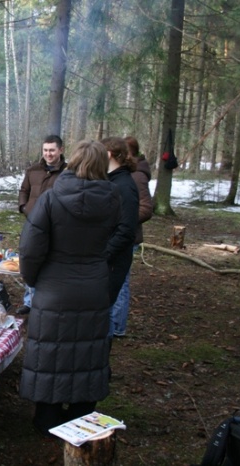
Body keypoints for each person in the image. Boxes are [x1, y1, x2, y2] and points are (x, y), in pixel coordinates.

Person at [18, 140, 121, 437]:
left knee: (52, 353)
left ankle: (48, 416)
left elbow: (31, 249)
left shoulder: (51, 198)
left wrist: (33, 279)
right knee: (87, 352)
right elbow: (116, 237)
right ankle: (81, 413)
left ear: (73, 161)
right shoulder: (113, 199)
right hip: (93, 285)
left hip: (55, 287)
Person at [15, 135, 67, 315]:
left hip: (55, 225)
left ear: (61, 150)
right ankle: (29, 301)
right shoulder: (33, 170)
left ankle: (46, 301)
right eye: (45, 150)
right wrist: (23, 207)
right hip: (32, 223)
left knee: (50, 262)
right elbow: (24, 190)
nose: (48, 154)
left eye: (52, 150)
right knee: (29, 260)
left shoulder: (67, 173)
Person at [108, 136, 153, 337]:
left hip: (121, 244)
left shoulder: (130, 180)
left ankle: (116, 327)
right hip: (114, 243)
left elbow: (143, 210)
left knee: (119, 286)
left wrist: (105, 251)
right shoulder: (115, 179)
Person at [101, 136, 139, 337]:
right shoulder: (113, 180)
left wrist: (103, 254)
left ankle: (101, 355)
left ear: (108, 154)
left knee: (104, 310)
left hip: (114, 260)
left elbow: (126, 231)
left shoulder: (124, 185)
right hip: (107, 259)